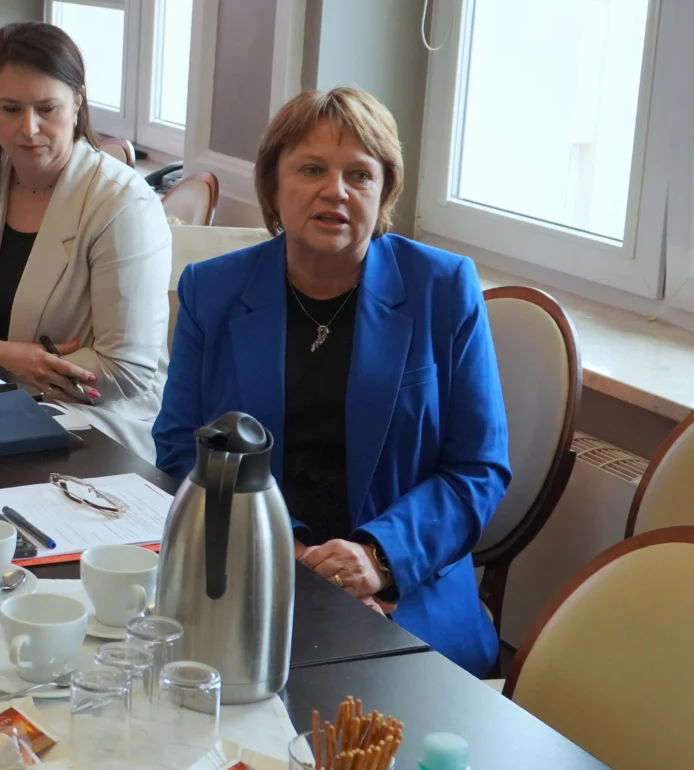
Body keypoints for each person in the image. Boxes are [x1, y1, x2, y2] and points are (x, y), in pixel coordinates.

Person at [151, 87, 510, 676]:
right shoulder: (211, 290)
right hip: (247, 564)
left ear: (384, 191)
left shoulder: (442, 289)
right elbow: (178, 446)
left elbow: (478, 468)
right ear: (273, 184)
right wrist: (283, 551)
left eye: (359, 175)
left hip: (407, 584)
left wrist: (378, 557)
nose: (335, 191)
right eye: (312, 169)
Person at [0, 22, 172, 460]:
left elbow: (125, 370)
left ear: (78, 103)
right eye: (10, 109)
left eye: (47, 108)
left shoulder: (122, 202)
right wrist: (14, 358)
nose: (29, 128)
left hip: (97, 426)